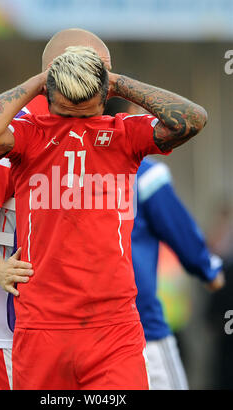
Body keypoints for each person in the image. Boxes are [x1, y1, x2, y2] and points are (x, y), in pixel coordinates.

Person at [0, 45, 207, 390]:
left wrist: (118, 81)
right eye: (66, 112)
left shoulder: (125, 134)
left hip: (114, 328)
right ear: (48, 96)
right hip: (41, 327)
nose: (76, 122)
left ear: (105, 98)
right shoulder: (30, 135)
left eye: (87, 112)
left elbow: (193, 118)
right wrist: (40, 80)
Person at [0, 28, 112, 390]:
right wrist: (0, 270)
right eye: (102, 71)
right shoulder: (13, 135)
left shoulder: (91, 131)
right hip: (3, 334)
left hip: (64, 335)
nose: (109, 84)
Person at [104, 97, 224, 389]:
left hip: (83, 334)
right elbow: (183, 233)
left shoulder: (69, 173)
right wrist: (209, 271)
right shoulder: (145, 174)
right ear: (132, 114)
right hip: (142, 329)